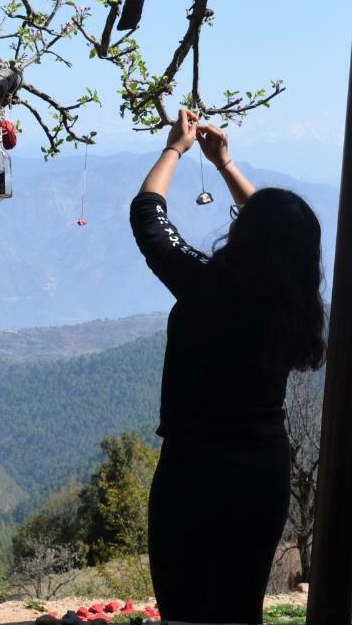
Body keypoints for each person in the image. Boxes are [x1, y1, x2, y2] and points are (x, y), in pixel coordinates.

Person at [130, 109, 326, 624]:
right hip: (262, 468)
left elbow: (149, 216)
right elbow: (279, 235)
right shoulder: (294, 302)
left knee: (184, 606)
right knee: (242, 608)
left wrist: (176, 148)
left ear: (244, 236)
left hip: (194, 467)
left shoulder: (205, 285)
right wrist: (226, 163)